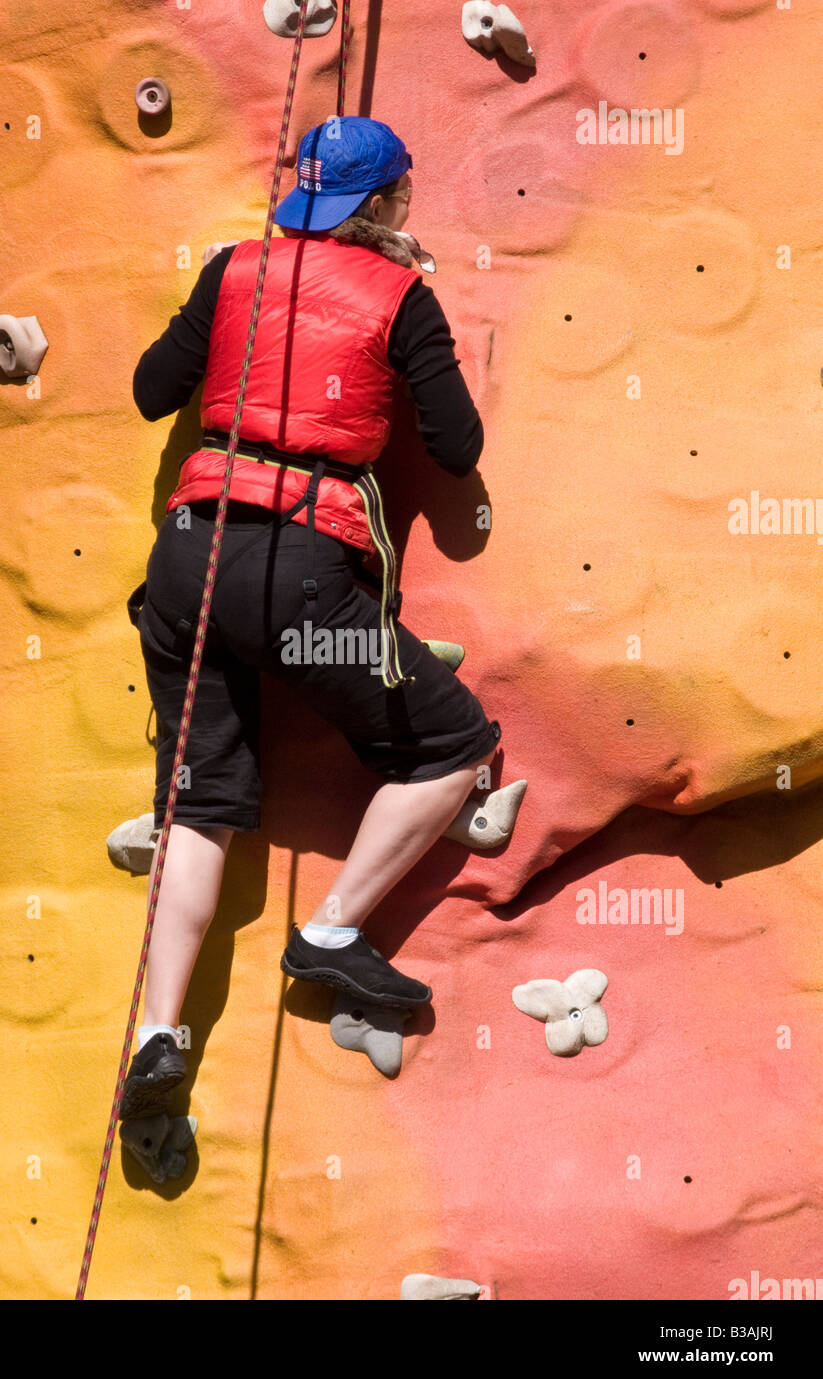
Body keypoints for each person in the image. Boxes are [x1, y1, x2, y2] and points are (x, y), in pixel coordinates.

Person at [119, 116, 507, 1121]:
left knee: (195, 804)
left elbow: (150, 389)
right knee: (453, 742)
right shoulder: (400, 297)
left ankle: (161, 1031)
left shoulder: (232, 268)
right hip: (301, 576)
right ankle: (331, 930)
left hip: (187, 559)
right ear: (382, 208)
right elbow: (456, 446)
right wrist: (416, 308)